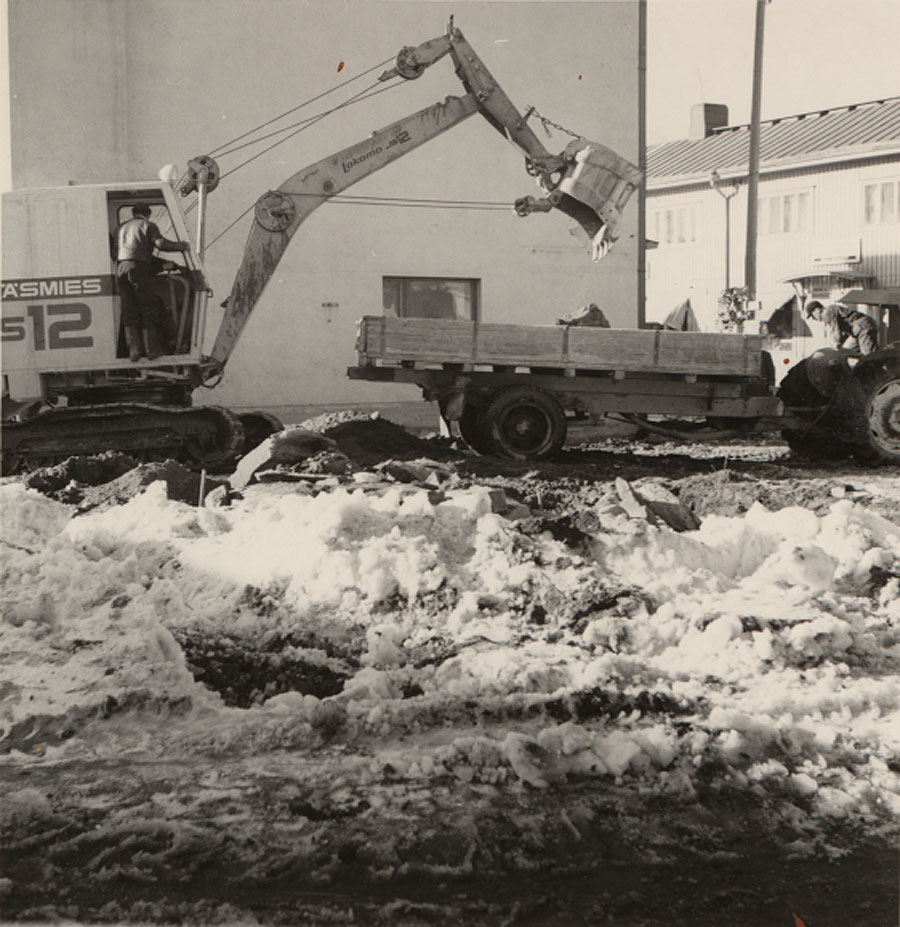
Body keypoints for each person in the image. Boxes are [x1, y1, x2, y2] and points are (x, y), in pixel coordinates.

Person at [114, 204, 189, 361]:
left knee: (129, 308)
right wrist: (180, 246)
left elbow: (117, 252)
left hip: (120, 268)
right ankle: (151, 350)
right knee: (148, 307)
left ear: (134, 213)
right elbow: (160, 244)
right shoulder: (148, 225)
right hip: (138, 269)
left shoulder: (120, 228)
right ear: (147, 215)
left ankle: (133, 350)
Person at [805, 299, 878, 355]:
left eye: (812, 315)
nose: (814, 318)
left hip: (862, 326)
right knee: (845, 351)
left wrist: (836, 345)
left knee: (867, 354)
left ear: (817, 309)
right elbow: (843, 332)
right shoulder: (830, 311)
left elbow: (836, 332)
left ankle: (875, 372)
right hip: (857, 329)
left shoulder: (826, 312)